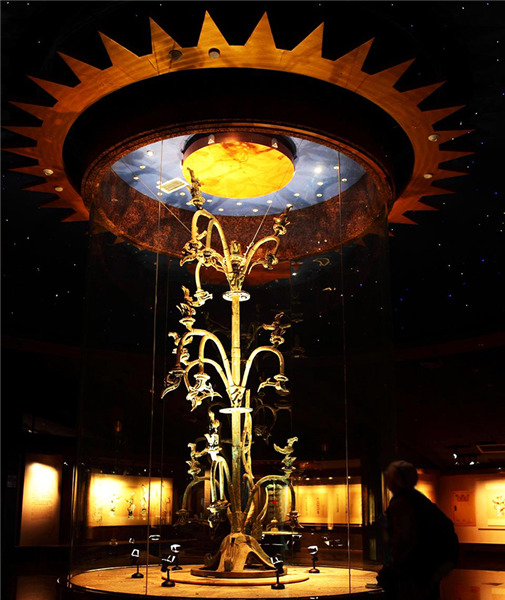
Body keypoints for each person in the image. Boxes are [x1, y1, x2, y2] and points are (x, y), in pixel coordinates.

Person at [377, 461, 459, 600]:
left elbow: (403, 538)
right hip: (430, 565)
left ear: (396, 480)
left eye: (389, 477)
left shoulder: (401, 503)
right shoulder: (419, 499)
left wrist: (394, 566)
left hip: (415, 569)